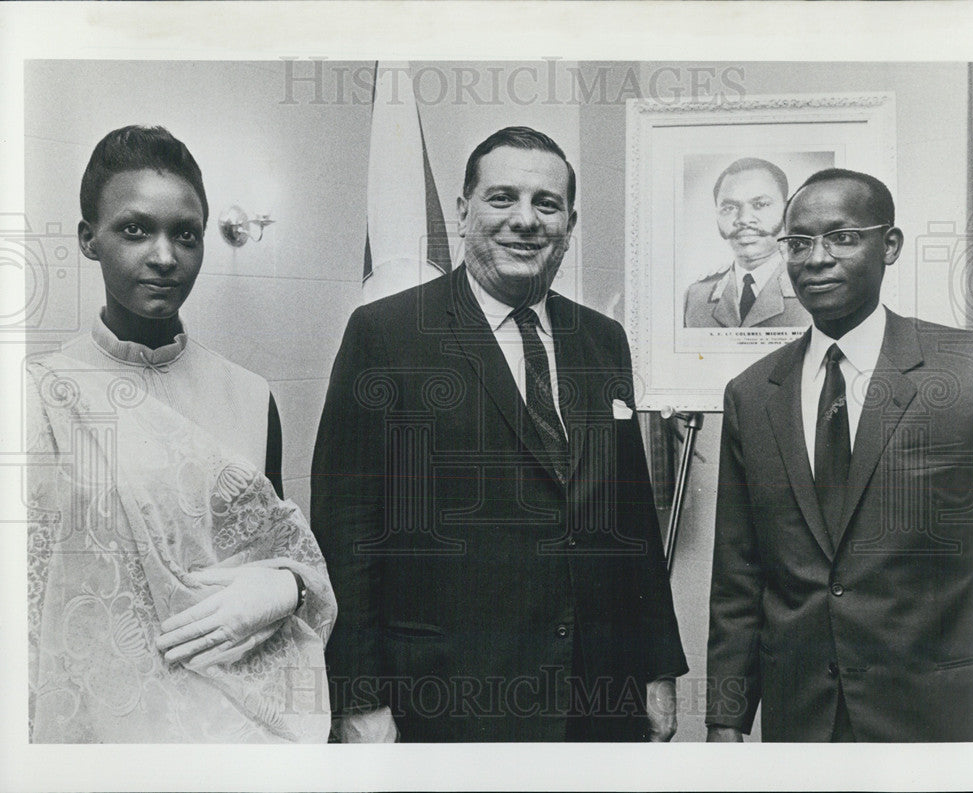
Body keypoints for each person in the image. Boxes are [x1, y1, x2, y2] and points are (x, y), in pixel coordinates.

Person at [312, 126, 687, 742]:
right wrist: (357, 695)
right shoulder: (387, 335)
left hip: (598, 694)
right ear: (463, 211)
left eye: (546, 204)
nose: (526, 220)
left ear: (569, 221)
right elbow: (347, 528)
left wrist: (656, 666)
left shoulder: (603, 339)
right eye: (502, 198)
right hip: (450, 697)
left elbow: (633, 519)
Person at [26, 126, 337, 743]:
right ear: (89, 239)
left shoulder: (251, 396)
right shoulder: (36, 398)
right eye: (135, 229)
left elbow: (285, 550)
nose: (165, 256)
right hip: (97, 731)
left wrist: (287, 585)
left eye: (186, 234)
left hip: (242, 728)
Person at [706, 168, 973, 742]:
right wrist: (726, 720)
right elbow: (738, 577)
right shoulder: (753, 395)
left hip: (938, 719)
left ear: (891, 245)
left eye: (843, 237)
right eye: (798, 243)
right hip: (802, 718)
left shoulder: (967, 369)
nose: (817, 259)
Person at [684, 157, 810, 328]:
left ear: (788, 210)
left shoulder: (812, 288)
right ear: (716, 215)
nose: (744, 219)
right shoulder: (695, 297)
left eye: (760, 204)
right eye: (729, 208)